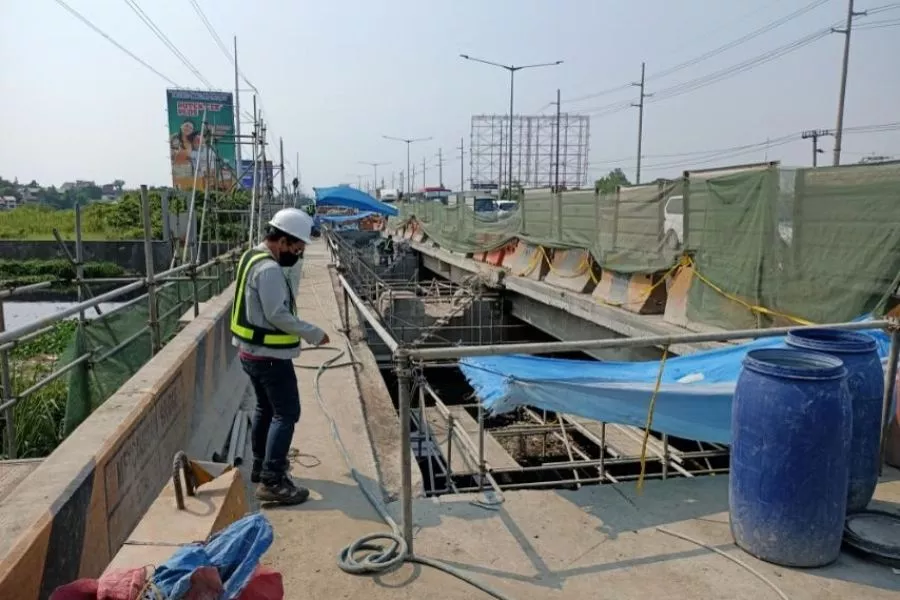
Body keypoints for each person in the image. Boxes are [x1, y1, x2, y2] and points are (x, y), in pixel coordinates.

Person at [230, 207, 329, 505]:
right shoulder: (270, 269)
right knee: (287, 414)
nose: (297, 254)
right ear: (282, 240)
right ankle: (273, 480)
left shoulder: (252, 256)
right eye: (296, 248)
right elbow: (278, 315)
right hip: (269, 357)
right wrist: (313, 333)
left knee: (265, 409)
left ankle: (260, 466)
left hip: (250, 353)